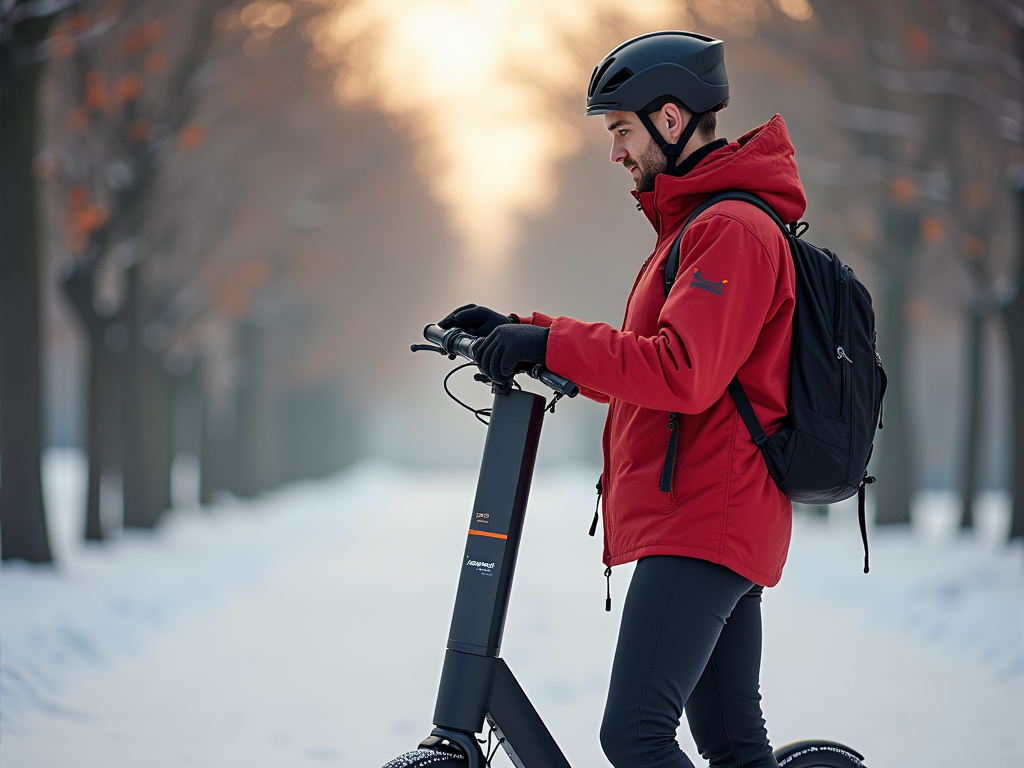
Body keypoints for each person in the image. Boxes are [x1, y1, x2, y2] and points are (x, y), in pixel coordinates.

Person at [439, 30, 804, 768]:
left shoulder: (729, 231)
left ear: (671, 120)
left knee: (635, 734)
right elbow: (646, 371)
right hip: (712, 515)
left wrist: (548, 346)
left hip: (708, 517)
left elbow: (682, 373)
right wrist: (525, 331)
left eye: (621, 130)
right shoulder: (698, 230)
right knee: (734, 747)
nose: (616, 153)